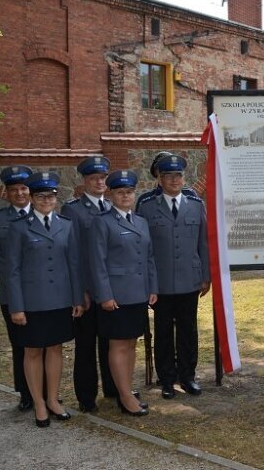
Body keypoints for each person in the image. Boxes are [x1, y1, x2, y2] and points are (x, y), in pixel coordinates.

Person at [6, 172, 84, 427]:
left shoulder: (66, 225)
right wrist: (16, 307)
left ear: (55, 197)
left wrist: (76, 299)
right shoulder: (19, 227)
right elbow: (13, 270)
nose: (45, 200)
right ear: (32, 198)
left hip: (60, 301)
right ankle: (38, 402)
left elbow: (74, 265)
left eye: (50, 196)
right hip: (32, 302)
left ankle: (52, 399)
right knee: (32, 351)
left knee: (55, 348)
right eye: (40, 196)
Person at [137, 154, 210, 399]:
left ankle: (188, 376)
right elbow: (142, 248)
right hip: (162, 284)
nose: (174, 180)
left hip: (190, 280)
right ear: (159, 178)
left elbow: (203, 243)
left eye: (178, 175)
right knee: (164, 331)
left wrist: (206, 276)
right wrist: (148, 283)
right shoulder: (146, 206)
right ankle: (167, 379)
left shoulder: (195, 203)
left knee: (188, 330)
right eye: (168, 176)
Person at [89, 170, 157, 416]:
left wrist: (152, 288)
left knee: (131, 344)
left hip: (138, 294)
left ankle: (126, 389)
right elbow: (98, 262)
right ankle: (125, 396)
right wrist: (105, 295)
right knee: (118, 345)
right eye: (120, 192)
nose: (125, 196)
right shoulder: (103, 222)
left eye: (129, 192)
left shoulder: (140, 221)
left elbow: (148, 258)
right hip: (115, 296)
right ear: (112, 195)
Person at [61, 156, 116, 413]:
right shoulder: (73, 210)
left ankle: (113, 388)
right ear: (84, 181)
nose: (99, 182)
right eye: (94, 178)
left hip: (110, 290)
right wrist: (79, 291)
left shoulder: (112, 206)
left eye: (103, 177)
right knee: (85, 345)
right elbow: (73, 255)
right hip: (87, 291)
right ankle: (86, 396)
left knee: (110, 340)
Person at [0, 165, 34, 412]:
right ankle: (26, 393)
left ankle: (47, 392)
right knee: (21, 345)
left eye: (24, 188)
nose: (20, 193)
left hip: (44, 294)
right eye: (14, 190)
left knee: (46, 344)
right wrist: (17, 283)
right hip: (12, 295)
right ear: (7, 192)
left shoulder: (44, 214)